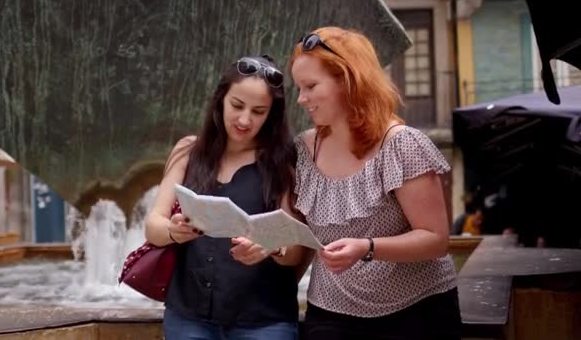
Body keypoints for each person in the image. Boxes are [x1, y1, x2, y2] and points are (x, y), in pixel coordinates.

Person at [289, 27, 461, 339]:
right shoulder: (303, 149)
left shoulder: (401, 144)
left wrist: (367, 248)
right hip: (331, 312)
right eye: (299, 88)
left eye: (311, 86)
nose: (302, 99)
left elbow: (436, 239)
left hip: (417, 311)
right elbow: (297, 236)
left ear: (347, 79)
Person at [145, 55, 306, 340]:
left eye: (258, 111)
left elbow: (295, 250)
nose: (245, 119)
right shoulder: (188, 151)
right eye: (237, 105)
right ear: (221, 99)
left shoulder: (283, 162)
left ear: (272, 114)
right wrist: (173, 230)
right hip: (188, 318)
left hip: (263, 322)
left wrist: (270, 247)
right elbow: (153, 227)